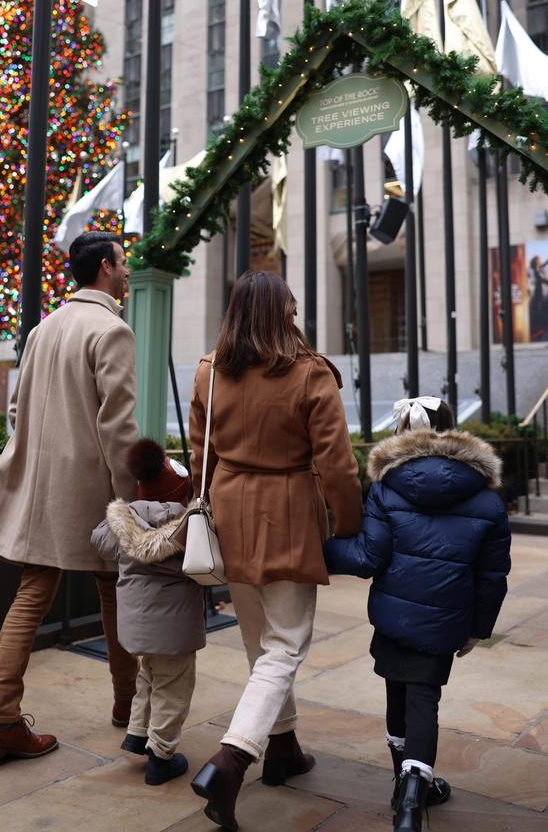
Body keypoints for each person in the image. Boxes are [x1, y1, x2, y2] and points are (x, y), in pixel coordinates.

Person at [187, 271, 362, 831]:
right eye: (291, 304)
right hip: (286, 513)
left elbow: (199, 455)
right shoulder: (310, 373)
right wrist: (349, 526)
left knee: (259, 642)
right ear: (283, 310)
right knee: (285, 645)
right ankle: (233, 760)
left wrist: (208, 505)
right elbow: (338, 464)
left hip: (231, 510)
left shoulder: (211, 371)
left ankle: (283, 749)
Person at [0, 231, 139, 759]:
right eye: (124, 263)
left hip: (38, 486)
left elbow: (17, 413)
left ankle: (0, 719)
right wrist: (129, 499)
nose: (128, 271)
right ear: (106, 268)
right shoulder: (112, 330)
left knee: (31, 594)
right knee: (114, 590)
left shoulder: (43, 329)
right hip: (89, 487)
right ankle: (127, 706)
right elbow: (118, 427)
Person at [325, 397, 511, 832]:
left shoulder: (387, 487)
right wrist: (478, 628)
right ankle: (413, 797)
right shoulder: (486, 499)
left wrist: (317, 551)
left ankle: (402, 780)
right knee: (424, 700)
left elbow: (370, 555)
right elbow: (492, 576)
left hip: (394, 614)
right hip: (446, 620)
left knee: (397, 695)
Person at [91, 438, 205, 786]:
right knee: (174, 687)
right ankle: (162, 756)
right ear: (179, 494)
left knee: (149, 677)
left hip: (135, 628)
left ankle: (138, 733)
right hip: (174, 632)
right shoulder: (188, 527)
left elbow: (99, 540)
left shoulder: (126, 521)